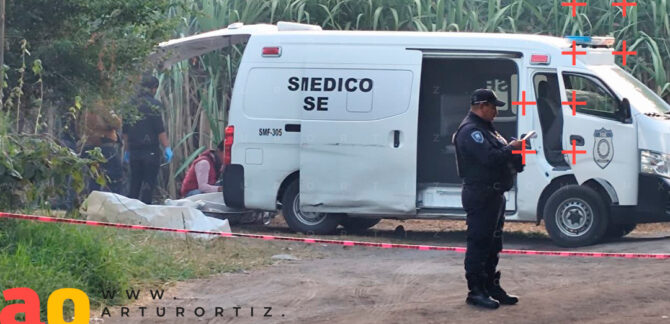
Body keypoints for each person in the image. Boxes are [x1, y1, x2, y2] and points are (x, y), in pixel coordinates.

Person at [452, 89, 525, 309]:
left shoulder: (487, 130)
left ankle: (491, 286)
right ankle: (476, 291)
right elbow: (490, 158)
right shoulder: (471, 131)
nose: (496, 111)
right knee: (479, 243)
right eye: (493, 107)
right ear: (482, 106)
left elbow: (501, 155)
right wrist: (510, 149)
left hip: (494, 194)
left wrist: (515, 152)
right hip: (481, 194)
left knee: (493, 243)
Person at [123, 73, 173, 204]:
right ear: (154, 88)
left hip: (134, 150)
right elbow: (160, 130)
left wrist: (127, 151)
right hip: (150, 151)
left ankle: (129, 212)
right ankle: (144, 212)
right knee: (148, 185)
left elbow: (125, 132)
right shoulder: (154, 105)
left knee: (134, 183)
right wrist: (167, 148)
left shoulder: (130, 105)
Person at [79, 100, 124, 194]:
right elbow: (116, 124)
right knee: (115, 176)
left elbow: (79, 128)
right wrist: (118, 116)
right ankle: (112, 200)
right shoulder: (103, 108)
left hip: (88, 146)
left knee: (94, 178)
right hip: (105, 145)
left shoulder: (85, 109)